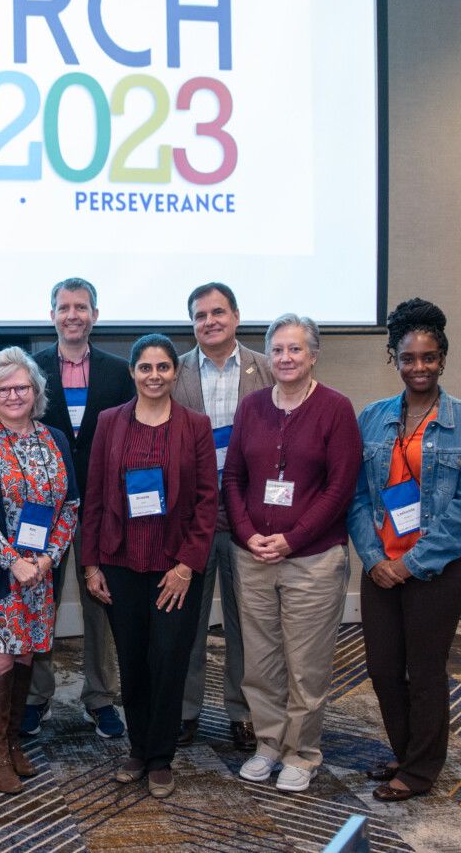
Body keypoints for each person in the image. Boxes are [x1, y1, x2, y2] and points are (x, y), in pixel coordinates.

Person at [348, 299, 461, 802]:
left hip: (437, 570)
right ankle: (406, 751)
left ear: (443, 358)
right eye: (408, 358)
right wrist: (375, 561)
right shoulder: (372, 418)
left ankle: (421, 768)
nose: (419, 367)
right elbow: (358, 497)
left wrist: (410, 564)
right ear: (394, 358)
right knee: (384, 670)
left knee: (424, 671)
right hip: (380, 567)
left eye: (429, 357)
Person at [224, 314, 361, 793]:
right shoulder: (252, 406)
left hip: (312, 559)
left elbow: (341, 488)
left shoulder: (335, 409)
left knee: (306, 664)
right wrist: (246, 533)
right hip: (253, 555)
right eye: (278, 349)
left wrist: (293, 538)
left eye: (295, 349)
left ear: (313, 355)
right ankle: (267, 744)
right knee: (260, 661)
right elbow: (234, 478)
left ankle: (301, 752)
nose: (285, 358)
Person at [80, 335, 218, 798]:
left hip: (173, 570)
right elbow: (95, 495)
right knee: (133, 661)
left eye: (163, 367)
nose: (154, 375)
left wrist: (186, 567)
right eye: (145, 367)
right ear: (132, 372)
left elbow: (205, 502)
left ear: (175, 373)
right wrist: (91, 564)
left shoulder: (195, 425)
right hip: (120, 563)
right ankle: (138, 749)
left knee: (169, 659)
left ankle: (161, 757)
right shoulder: (109, 422)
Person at [0, 348, 78, 793]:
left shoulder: (56, 440)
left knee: (26, 653)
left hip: (40, 574)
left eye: (21, 387)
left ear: (36, 391)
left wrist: (46, 560)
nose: (12, 395)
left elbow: (70, 507)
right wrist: (14, 560)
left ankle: (11, 741)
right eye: (3, 388)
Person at [28, 277, 132, 738]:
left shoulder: (118, 370)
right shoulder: (31, 369)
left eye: (82, 307)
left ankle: (100, 697)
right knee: (38, 600)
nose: (73, 315)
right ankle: (35, 695)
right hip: (42, 508)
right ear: (51, 315)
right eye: (64, 307)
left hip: (101, 505)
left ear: (95, 314)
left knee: (101, 605)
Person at [172, 282, 272, 752]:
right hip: (193, 517)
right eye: (199, 315)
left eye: (217, 312)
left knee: (246, 623)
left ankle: (242, 711)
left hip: (249, 515)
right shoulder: (175, 371)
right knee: (187, 621)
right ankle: (186, 710)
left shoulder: (267, 369)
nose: (209, 321)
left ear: (236, 316)